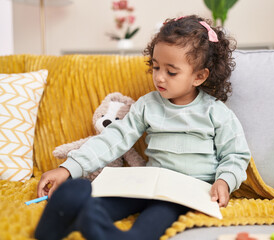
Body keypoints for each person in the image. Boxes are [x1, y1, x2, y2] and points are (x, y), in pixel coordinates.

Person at [35, 15, 251, 240]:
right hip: (145, 184)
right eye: (155, 67)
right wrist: (70, 168)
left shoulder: (216, 112)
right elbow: (113, 138)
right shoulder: (147, 105)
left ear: (199, 76)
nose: (159, 78)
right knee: (97, 205)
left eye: (171, 72)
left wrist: (224, 180)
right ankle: (55, 226)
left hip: (181, 195)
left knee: (151, 223)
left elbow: (235, 155)